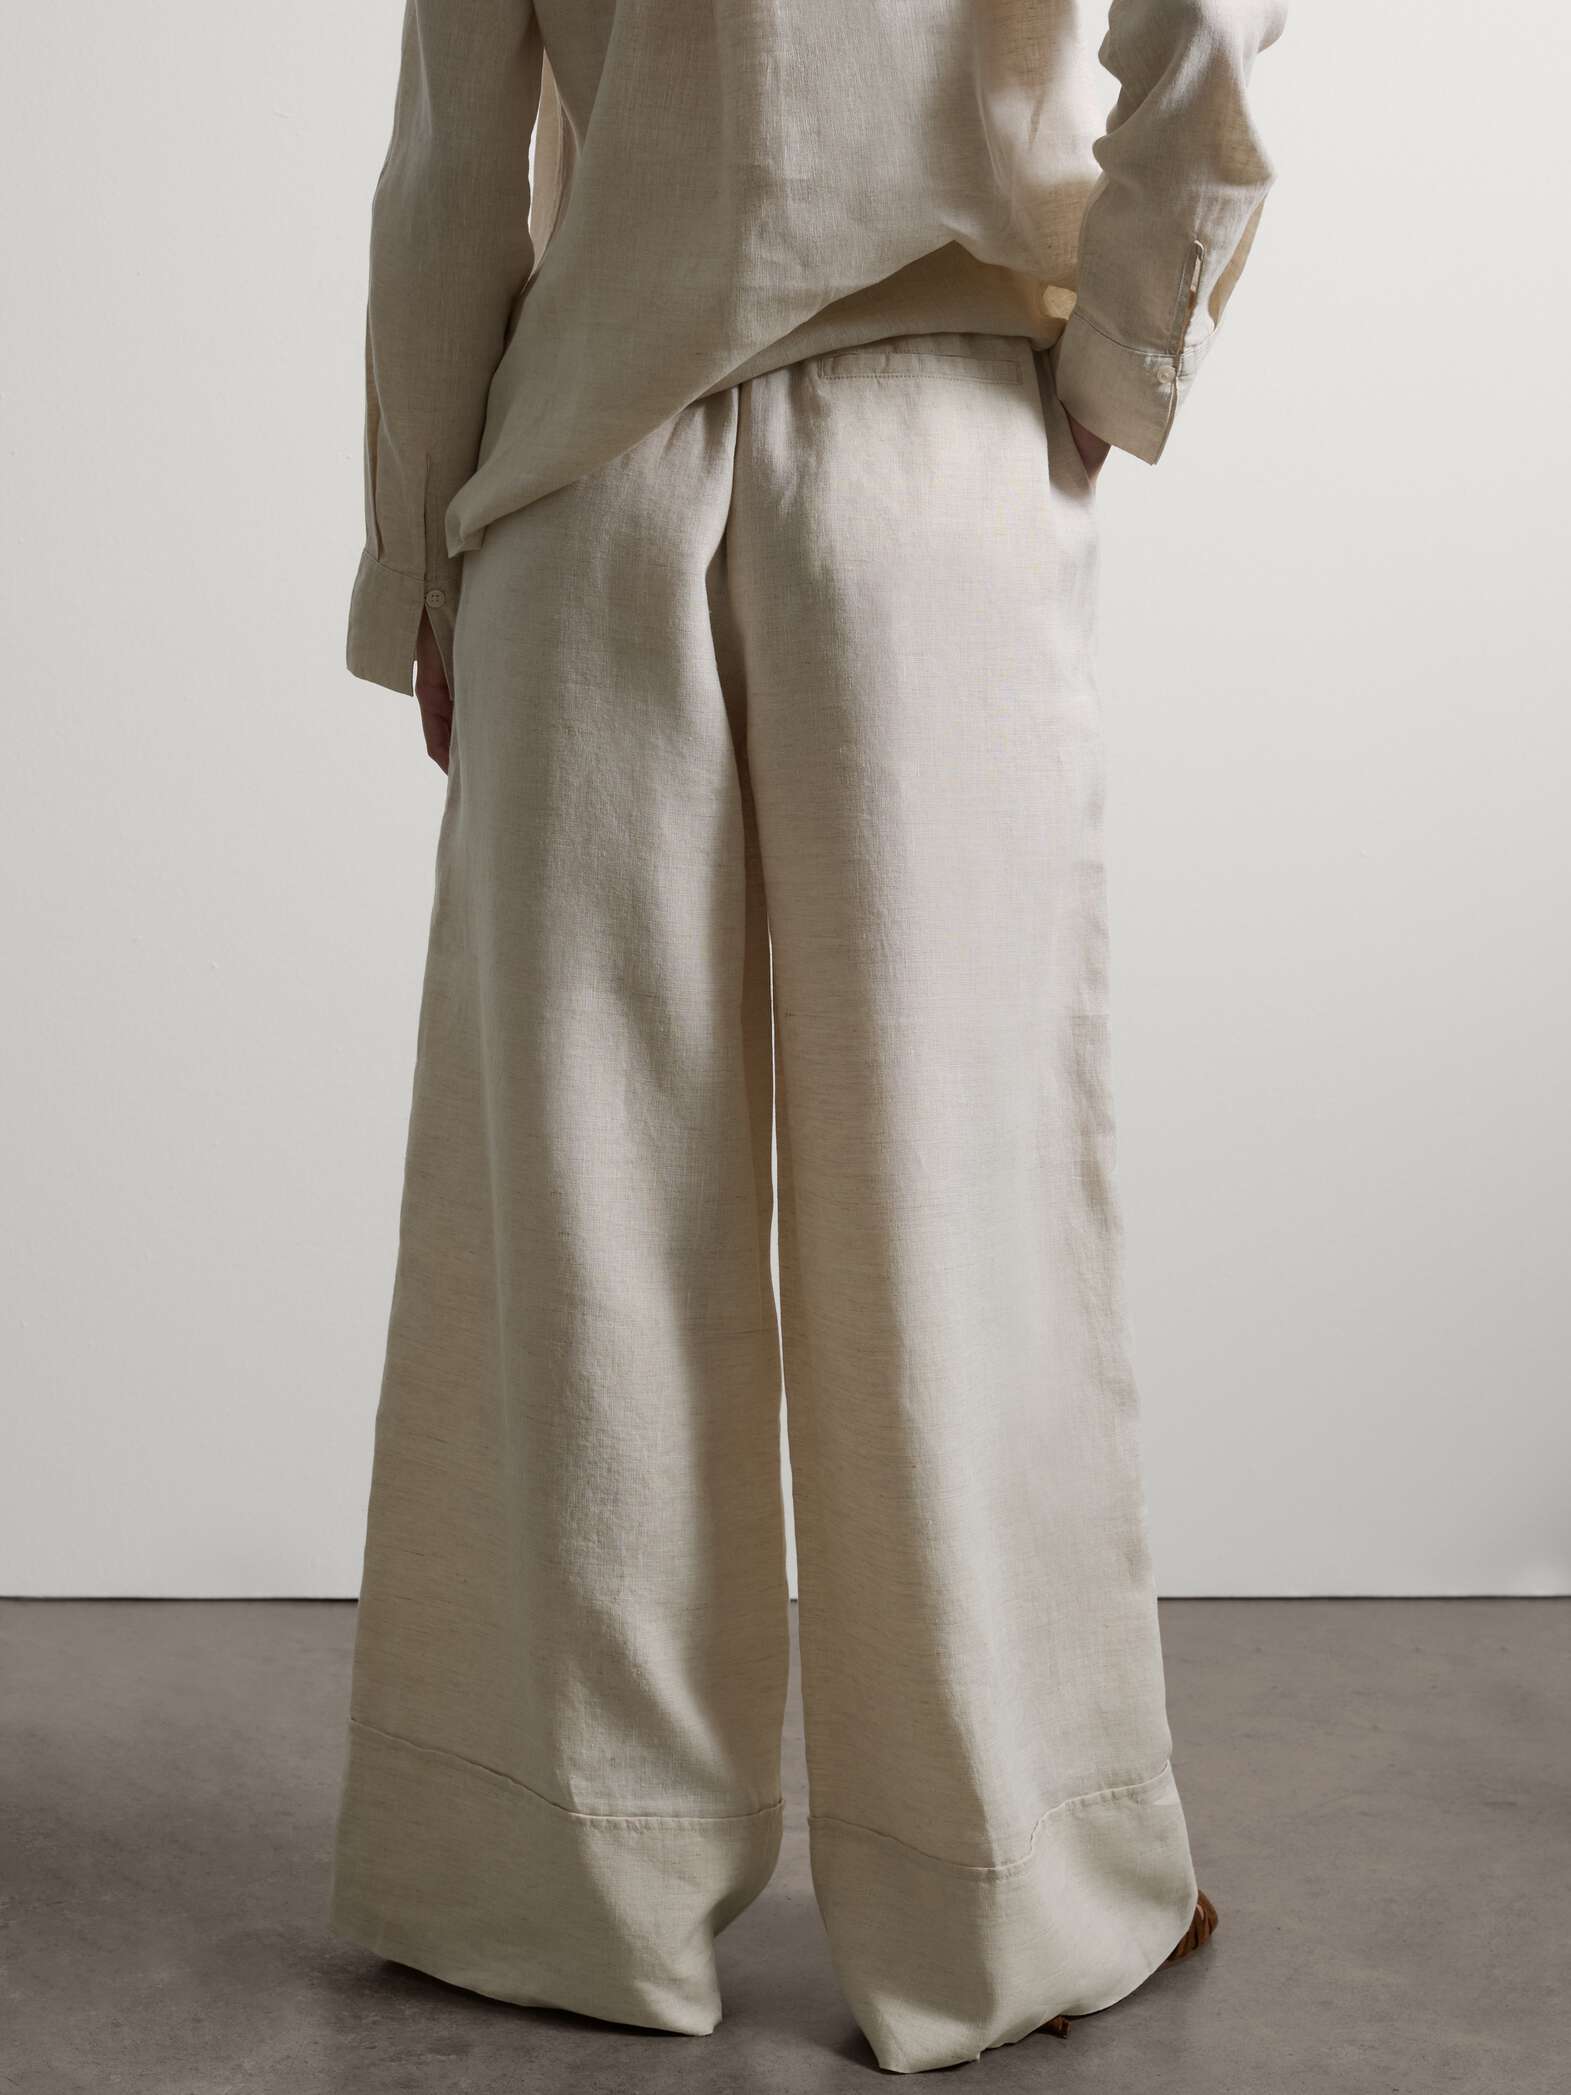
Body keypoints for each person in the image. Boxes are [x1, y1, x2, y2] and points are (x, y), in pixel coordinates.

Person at [328, 0, 1285, 2074]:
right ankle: (1011, 1868)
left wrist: (421, 555)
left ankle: (559, 1879)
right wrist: (1124, 354)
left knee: (581, 1230)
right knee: (957, 1217)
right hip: (935, 466)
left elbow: (453, 157)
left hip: (588, 479)